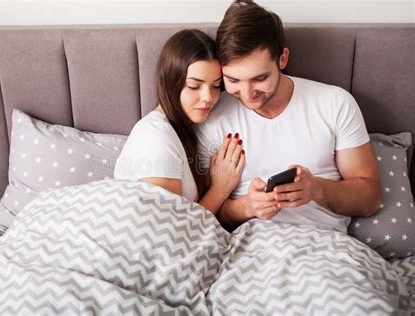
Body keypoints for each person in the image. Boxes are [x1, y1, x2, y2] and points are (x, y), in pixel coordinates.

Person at [196, 0, 381, 232]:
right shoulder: (212, 117)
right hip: (248, 246)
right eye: (233, 80)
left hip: (324, 247)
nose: (247, 94)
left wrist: (315, 189)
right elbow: (199, 216)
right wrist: (245, 207)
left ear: (282, 59)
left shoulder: (334, 104)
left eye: (260, 78)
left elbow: (370, 198)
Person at [114, 29, 245, 214]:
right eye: (194, 86)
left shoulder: (181, 131)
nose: (208, 97)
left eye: (216, 86)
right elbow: (171, 227)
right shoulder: (156, 136)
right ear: (170, 81)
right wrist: (219, 190)